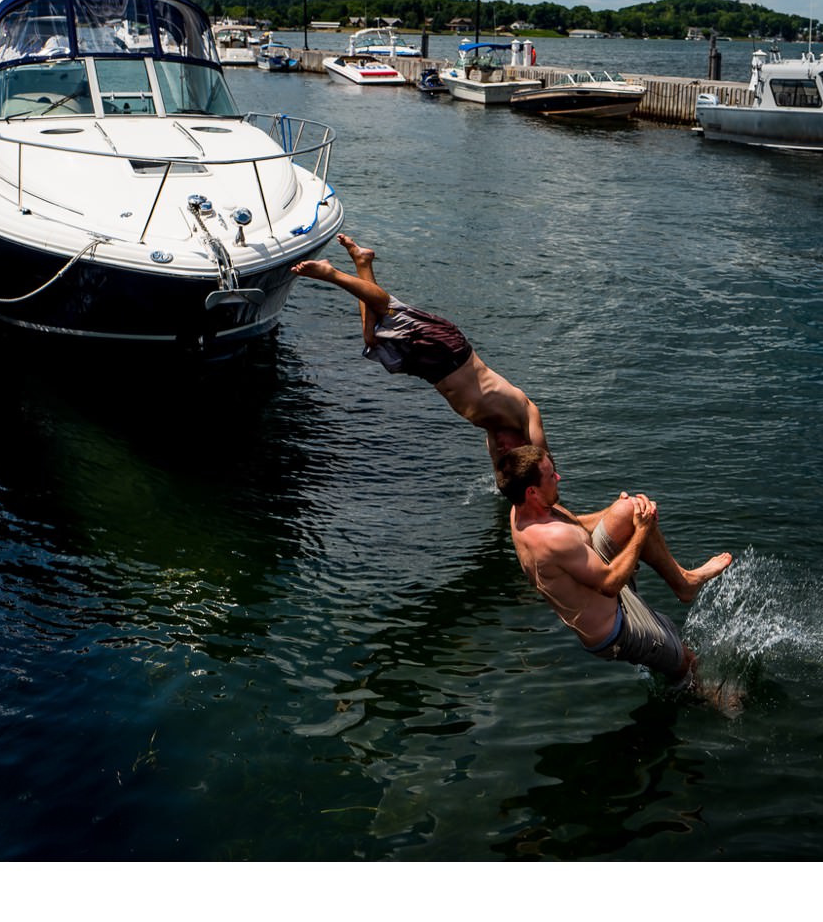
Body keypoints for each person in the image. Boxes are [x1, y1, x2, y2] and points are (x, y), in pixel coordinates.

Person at [292, 235, 545, 480]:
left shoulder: (494, 433)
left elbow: (503, 476)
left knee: (372, 338)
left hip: (432, 369)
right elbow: (545, 466)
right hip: (450, 352)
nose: (501, 450)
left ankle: (362, 261)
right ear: (525, 444)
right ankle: (331, 274)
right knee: (388, 310)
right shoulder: (526, 413)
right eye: (509, 452)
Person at [499, 444, 733, 697]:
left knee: (630, 509)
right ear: (532, 491)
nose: (558, 478)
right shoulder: (549, 539)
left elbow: (577, 527)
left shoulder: (525, 507)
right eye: (551, 476)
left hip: (598, 584)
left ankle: (684, 583)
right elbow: (609, 584)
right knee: (686, 664)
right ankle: (711, 700)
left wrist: (618, 510)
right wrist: (641, 530)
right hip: (616, 628)